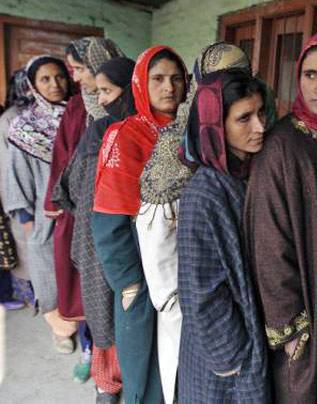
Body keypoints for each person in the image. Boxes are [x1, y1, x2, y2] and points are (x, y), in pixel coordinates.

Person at [244, 30, 317, 403]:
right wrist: (290, 328)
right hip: (306, 315)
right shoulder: (281, 145)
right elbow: (268, 240)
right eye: (310, 75)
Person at [91, 45, 186, 404]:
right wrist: (128, 283)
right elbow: (109, 221)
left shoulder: (191, 130)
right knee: (145, 365)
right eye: (158, 79)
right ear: (140, 84)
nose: (169, 87)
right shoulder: (126, 134)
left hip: (181, 265)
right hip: (142, 275)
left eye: (176, 79)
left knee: (178, 362)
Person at [177, 67, 271, 403]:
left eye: (261, 113)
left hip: (247, 336)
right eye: (244, 118)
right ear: (216, 125)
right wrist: (230, 358)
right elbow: (199, 290)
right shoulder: (204, 194)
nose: (259, 127)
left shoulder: (248, 172)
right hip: (224, 354)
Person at [55, 56, 136, 403]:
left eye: (108, 90)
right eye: (98, 90)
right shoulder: (100, 130)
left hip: (130, 241)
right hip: (96, 236)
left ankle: (121, 383)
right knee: (105, 310)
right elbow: (71, 185)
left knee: (126, 312)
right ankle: (107, 383)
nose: (101, 99)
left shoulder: (151, 132)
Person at [2, 55, 76, 352]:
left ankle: (84, 327)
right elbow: (17, 179)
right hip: (46, 219)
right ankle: (60, 329)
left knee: (80, 273)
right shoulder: (23, 127)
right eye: (45, 79)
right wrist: (31, 225)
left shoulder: (80, 116)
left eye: (59, 77)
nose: (54, 84)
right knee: (50, 272)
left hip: (80, 212)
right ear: (33, 85)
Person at [0, 69, 35, 309]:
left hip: (44, 193)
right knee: (24, 244)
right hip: (20, 193)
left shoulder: (51, 112)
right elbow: (6, 165)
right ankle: (31, 295)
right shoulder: (10, 118)